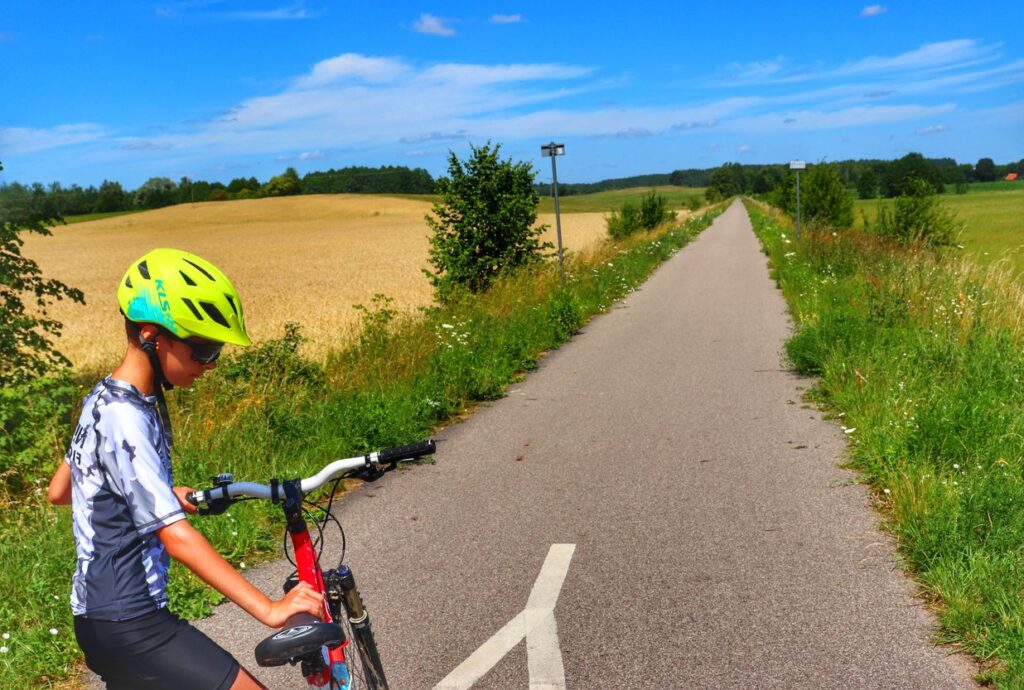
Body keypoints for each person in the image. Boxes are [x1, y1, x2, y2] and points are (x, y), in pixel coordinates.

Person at [48, 248, 323, 690]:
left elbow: (62, 489)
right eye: (203, 349)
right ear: (152, 336)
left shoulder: (103, 398)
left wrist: (150, 489)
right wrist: (271, 610)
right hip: (132, 621)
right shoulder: (126, 418)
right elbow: (176, 538)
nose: (211, 365)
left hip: (100, 617)